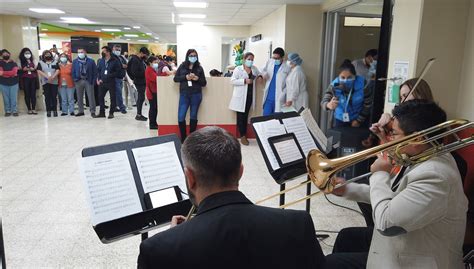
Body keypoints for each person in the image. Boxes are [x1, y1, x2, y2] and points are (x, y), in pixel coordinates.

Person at [137, 126, 325, 269]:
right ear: (241, 171)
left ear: (190, 177)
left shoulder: (157, 249)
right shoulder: (298, 224)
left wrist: (174, 236)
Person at [325, 100, 468, 269]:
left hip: (415, 261)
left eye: (394, 133)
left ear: (418, 138)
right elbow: (392, 195)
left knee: (330, 263)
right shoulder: (422, 156)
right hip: (406, 245)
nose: (390, 138)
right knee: (346, 238)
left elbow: (387, 224)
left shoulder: (435, 176)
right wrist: (347, 189)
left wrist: (379, 173)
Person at [371, 78, 434, 143]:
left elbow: (404, 150)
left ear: (420, 94)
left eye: (405, 95)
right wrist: (382, 137)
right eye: (401, 98)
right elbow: (395, 150)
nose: (402, 101)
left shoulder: (429, 121)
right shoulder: (402, 119)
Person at [321, 59, 372, 128]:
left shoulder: (363, 84)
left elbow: (368, 105)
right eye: (342, 77)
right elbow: (323, 102)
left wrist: (359, 120)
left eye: (349, 77)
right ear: (339, 76)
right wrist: (328, 105)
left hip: (360, 118)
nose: (345, 80)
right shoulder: (334, 85)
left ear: (355, 76)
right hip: (340, 119)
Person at [173, 49, 207, 142]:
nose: (193, 57)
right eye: (191, 55)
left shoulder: (199, 68)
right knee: (181, 116)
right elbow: (175, 79)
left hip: (196, 95)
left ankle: (191, 139)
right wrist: (185, 77)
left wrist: (197, 78)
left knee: (193, 115)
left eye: (194, 55)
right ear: (187, 56)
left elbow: (204, 83)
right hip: (184, 94)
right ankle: (183, 139)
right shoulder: (182, 66)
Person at [229, 52, 260, 146]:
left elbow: (259, 74)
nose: (250, 61)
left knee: (246, 116)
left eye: (252, 59)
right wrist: (244, 81)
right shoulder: (238, 69)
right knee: (240, 116)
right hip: (240, 97)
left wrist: (261, 76)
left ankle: (243, 134)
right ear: (244, 59)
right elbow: (233, 81)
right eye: (249, 59)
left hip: (250, 96)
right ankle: (242, 136)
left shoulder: (254, 69)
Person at [260, 47, 290, 116]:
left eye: (277, 58)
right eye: (274, 58)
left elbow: (289, 83)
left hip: (280, 98)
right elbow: (261, 69)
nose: (275, 60)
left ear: (282, 57)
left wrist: (284, 93)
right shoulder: (270, 62)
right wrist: (264, 74)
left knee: (277, 120)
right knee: (266, 118)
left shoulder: (287, 67)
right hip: (269, 97)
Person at [96, 46, 121, 119]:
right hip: (102, 82)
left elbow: (118, 72)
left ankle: (111, 113)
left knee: (113, 98)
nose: (102, 52)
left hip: (111, 82)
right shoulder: (100, 61)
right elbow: (98, 70)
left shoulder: (115, 60)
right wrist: (98, 78)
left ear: (108, 52)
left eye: (104, 51)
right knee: (100, 97)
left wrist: (109, 75)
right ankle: (102, 113)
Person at [72, 48, 97, 117]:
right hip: (78, 81)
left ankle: (92, 111)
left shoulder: (91, 61)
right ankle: (81, 111)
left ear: (85, 53)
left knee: (91, 96)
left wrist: (93, 81)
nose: (80, 53)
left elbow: (95, 72)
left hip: (88, 80)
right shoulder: (75, 61)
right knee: (79, 97)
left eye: (81, 52)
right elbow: (73, 71)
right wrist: (75, 79)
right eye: (79, 52)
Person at [128, 47, 150, 121]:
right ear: (141, 53)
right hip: (139, 81)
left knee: (141, 98)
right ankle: (138, 114)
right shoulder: (135, 60)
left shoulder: (140, 60)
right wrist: (145, 73)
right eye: (144, 54)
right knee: (141, 98)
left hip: (142, 81)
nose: (145, 56)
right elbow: (134, 72)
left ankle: (139, 114)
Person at [37, 50, 60, 117]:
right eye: (46, 54)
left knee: (54, 96)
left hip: (54, 81)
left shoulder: (55, 62)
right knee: (47, 97)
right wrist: (47, 77)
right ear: (43, 55)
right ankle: (48, 111)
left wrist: (52, 77)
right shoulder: (40, 62)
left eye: (49, 54)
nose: (47, 55)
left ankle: (55, 111)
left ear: (51, 55)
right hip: (45, 82)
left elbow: (58, 70)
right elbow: (39, 70)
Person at [19, 48, 39, 115]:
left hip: (33, 78)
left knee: (33, 94)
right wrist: (23, 69)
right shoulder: (20, 60)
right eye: (26, 53)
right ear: (23, 54)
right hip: (25, 79)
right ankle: (29, 109)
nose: (28, 54)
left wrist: (33, 68)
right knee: (27, 94)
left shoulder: (33, 59)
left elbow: (36, 67)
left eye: (28, 53)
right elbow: (19, 68)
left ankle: (34, 109)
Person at [0, 49, 19, 117]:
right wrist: (10, 74)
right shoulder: (0, 63)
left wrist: (4, 73)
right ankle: (7, 111)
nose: (5, 55)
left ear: (9, 54)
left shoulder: (14, 63)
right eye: (4, 54)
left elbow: (14, 72)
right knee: (6, 98)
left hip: (14, 83)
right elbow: (0, 73)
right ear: (1, 55)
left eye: (7, 53)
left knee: (14, 97)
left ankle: (14, 111)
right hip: (3, 83)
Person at [112, 44, 127, 114]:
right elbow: (113, 66)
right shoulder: (111, 57)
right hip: (115, 78)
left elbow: (126, 65)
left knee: (117, 93)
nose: (118, 51)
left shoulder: (121, 57)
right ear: (113, 50)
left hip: (121, 78)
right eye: (116, 50)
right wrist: (121, 65)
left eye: (119, 50)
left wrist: (123, 66)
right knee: (119, 93)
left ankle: (115, 106)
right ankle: (122, 108)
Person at [145, 56, 159, 130]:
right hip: (151, 92)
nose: (156, 64)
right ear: (150, 63)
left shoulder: (152, 69)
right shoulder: (149, 70)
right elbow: (155, 79)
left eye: (157, 62)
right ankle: (152, 124)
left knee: (154, 108)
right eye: (155, 62)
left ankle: (154, 122)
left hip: (153, 91)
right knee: (153, 108)